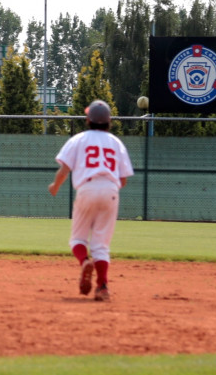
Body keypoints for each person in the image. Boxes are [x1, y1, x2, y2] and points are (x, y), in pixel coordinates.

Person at [47, 100, 134, 302]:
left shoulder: (78, 139)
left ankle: (85, 261)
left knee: (78, 239)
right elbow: (123, 179)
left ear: (88, 120)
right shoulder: (116, 143)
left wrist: (55, 186)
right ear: (109, 122)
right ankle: (102, 287)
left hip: (86, 188)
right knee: (101, 245)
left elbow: (64, 169)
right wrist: (108, 191)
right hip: (111, 190)